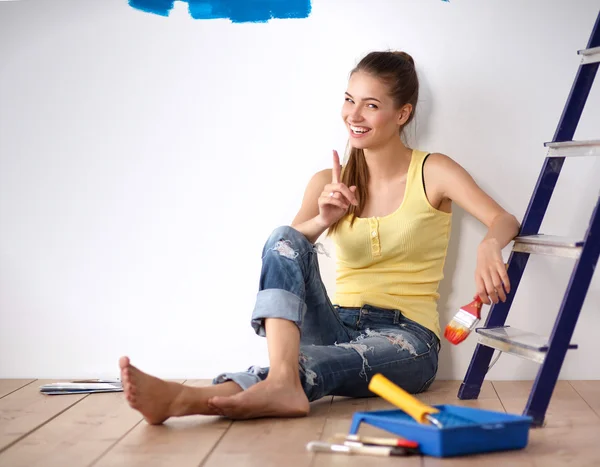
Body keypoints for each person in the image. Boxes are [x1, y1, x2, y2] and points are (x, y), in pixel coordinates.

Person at [118, 50, 520, 424]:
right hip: (334, 321)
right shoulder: (326, 184)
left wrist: (489, 244)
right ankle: (278, 381)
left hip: (407, 339)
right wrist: (321, 221)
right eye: (349, 100)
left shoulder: (433, 171)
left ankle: (186, 399)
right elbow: (285, 255)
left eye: (371, 105)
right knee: (285, 236)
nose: (354, 114)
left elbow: (503, 219)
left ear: (403, 113)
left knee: (314, 365)